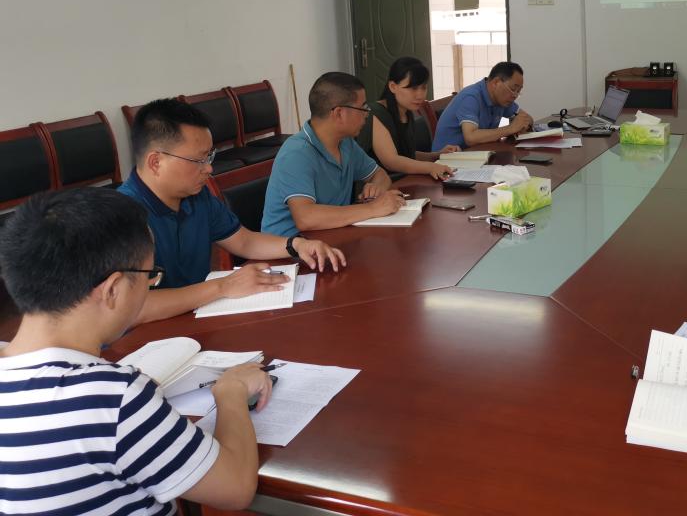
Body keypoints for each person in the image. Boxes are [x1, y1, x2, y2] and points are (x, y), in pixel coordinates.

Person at [0, 188, 273, 514]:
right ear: (113, 289)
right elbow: (236, 488)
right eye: (149, 276)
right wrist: (231, 391)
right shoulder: (112, 398)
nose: (148, 288)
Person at [119, 99, 344, 323]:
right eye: (198, 160)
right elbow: (135, 308)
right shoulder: (121, 216)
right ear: (156, 162)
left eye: (209, 156)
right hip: (150, 336)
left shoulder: (196, 196)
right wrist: (223, 286)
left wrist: (296, 244)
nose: (209, 168)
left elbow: (244, 241)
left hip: (197, 317)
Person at [262, 72, 406, 236]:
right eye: (363, 108)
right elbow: (306, 218)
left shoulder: (345, 143)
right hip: (290, 247)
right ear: (339, 113)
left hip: (330, 237)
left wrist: (376, 188)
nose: (367, 114)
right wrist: (372, 208)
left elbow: (380, 175)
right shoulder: (297, 153)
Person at [356, 57, 459, 179]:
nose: (420, 95)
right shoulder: (375, 113)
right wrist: (430, 167)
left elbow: (406, 155)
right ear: (393, 87)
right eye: (413, 88)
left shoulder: (406, 111)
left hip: (401, 180)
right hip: (376, 185)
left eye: (423, 87)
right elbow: (391, 161)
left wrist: (437, 155)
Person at [432, 61, 534, 150]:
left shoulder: (502, 100)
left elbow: (527, 119)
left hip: (477, 153)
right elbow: (470, 138)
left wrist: (522, 126)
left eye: (518, 91)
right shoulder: (471, 97)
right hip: (447, 158)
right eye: (513, 89)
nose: (515, 95)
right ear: (496, 82)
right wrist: (510, 128)